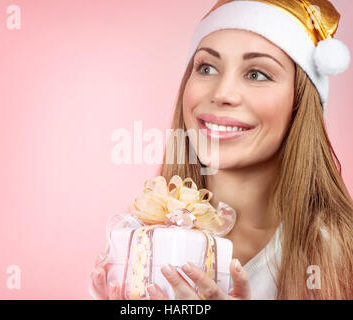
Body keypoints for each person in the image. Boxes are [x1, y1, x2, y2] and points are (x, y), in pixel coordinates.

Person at [90, 0, 353, 299]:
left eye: (257, 74)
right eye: (207, 67)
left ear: (299, 103)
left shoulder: (341, 253)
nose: (223, 93)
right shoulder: (140, 238)